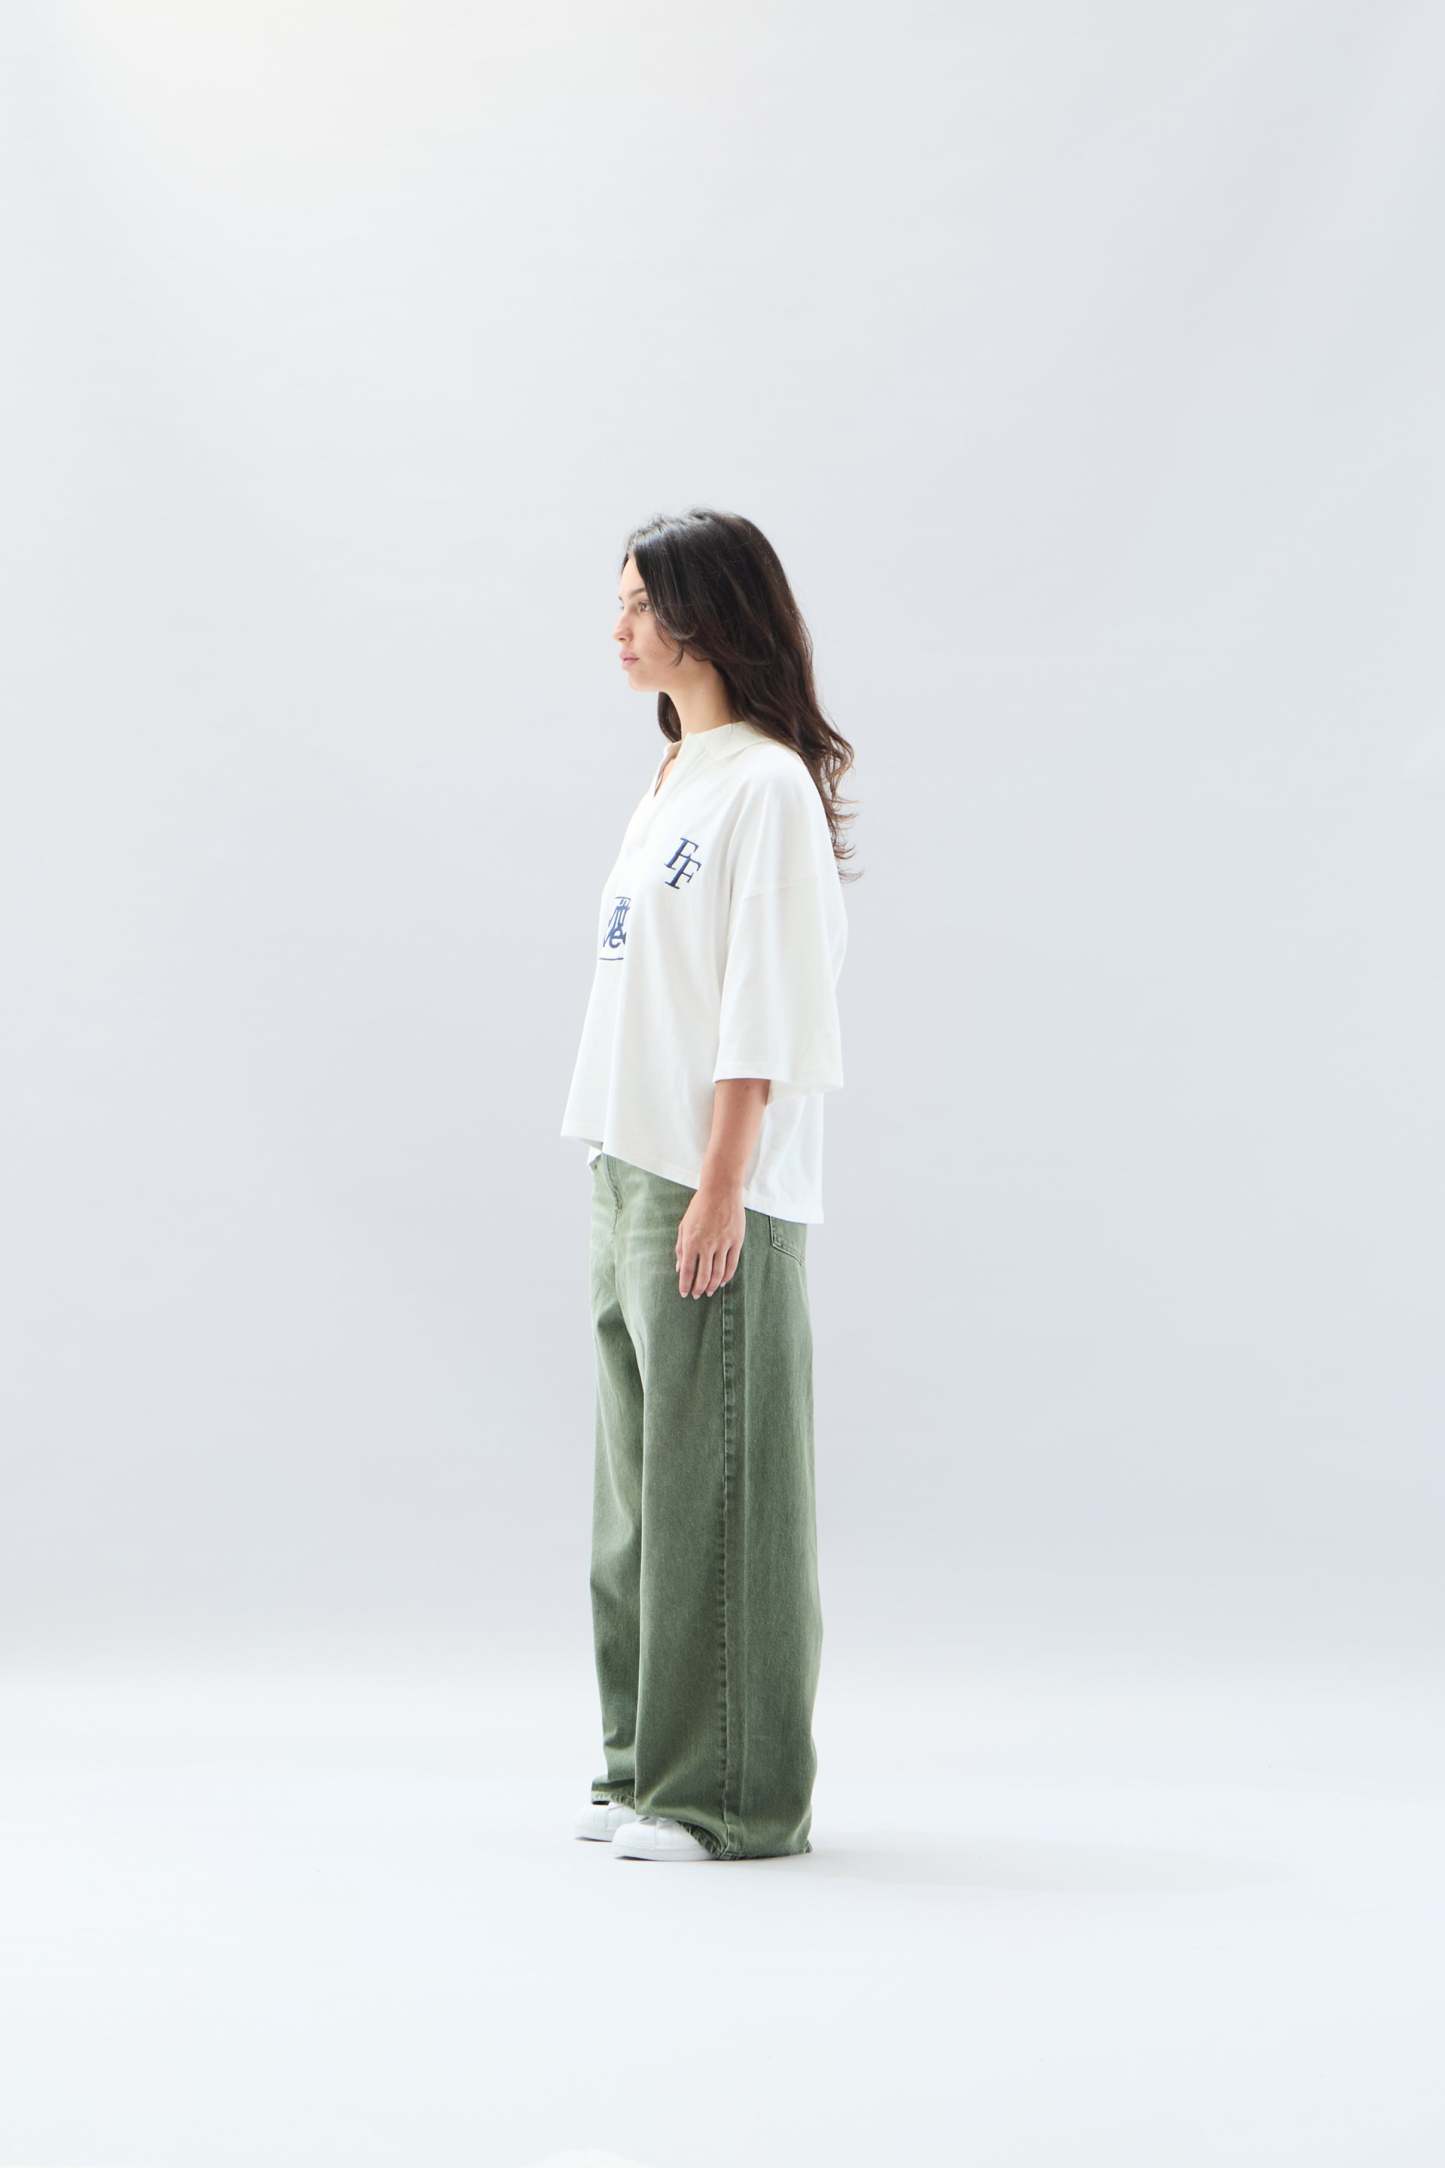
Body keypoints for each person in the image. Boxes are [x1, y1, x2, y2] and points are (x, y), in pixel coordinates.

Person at [560, 508, 859, 1862]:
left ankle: (728, 1795)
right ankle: (641, 1764)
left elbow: (765, 1002)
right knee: (638, 1493)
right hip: (627, 1165)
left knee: (718, 1489)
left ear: (705, 615)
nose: (618, 628)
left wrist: (724, 1184)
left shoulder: (764, 786)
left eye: (639, 603)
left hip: (707, 1181)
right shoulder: (673, 777)